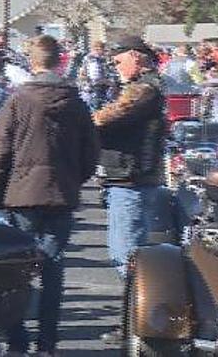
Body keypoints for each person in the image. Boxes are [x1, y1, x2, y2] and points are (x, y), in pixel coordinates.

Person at [0, 35, 99, 357]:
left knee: (15, 272)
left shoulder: (18, 101)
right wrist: (73, 179)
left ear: (32, 63)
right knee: (52, 270)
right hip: (60, 194)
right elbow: (91, 152)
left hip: (21, 195)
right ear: (58, 61)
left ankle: (17, 341)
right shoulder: (75, 102)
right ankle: (47, 345)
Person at [92, 36, 168, 345]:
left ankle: (144, 327)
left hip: (132, 181)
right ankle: (133, 327)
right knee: (128, 258)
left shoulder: (145, 90)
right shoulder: (141, 87)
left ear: (136, 57)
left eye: (118, 59)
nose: (115, 65)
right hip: (127, 180)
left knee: (128, 260)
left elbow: (106, 117)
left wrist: (80, 121)